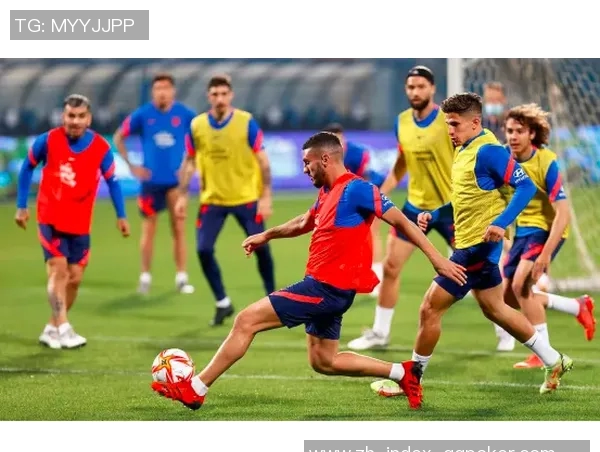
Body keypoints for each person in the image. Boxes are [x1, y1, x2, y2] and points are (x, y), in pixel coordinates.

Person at [150, 131, 467, 410]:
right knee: (324, 361)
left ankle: (196, 388)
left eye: (307, 162)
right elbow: (305, 221)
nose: (304, 169)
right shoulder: (327, 191)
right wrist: (267, 235)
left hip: (326, 289)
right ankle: (403, 373)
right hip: (325, 287)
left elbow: (402, 222)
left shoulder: (358, 189)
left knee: (246, 320)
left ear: (325, 159)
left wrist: (437, 260)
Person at [370, 93, 574, 409]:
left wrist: (501, 223)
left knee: (429, 308)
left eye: (455, 124)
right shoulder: (465, 149)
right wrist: (435, 214)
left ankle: (412, 377)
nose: (449, 131)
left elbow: (526, 187)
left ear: (475, 122)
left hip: (476, 249)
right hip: (471, 244)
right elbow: (463, 199)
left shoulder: (489, 151)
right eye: (447, 124)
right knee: (496, 309)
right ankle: (553, 359)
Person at [347, 65, 456, 350]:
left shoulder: (447, 121)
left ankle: (505, 333)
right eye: (411, 87)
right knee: (391, 267)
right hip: (414, 209)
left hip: (451, 209)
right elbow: (401, 163)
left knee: (477, 274)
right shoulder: (402, 122)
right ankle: (380, 333)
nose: (415, 92)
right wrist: (378, 196)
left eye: (421, 86)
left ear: (432, 89)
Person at [15, 94, 130, 349]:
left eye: (80, 116)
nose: (75, 121)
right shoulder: (48, 140)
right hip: (50, 218)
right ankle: (65, 327)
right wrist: (22, 206)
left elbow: (113, 181)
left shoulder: (100, 147)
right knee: (59, 271)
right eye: (70, 116)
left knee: (75, 278)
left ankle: (51, 327)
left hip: (80, 223)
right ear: (63, 117)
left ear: (89, 119)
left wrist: (121, 215)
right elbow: (26, 168)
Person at [494, 103, 596, 364]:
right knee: (508, 298)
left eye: (519, 131)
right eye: (509, 131)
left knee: (520, 285)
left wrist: (546, 254)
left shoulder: (546, 162)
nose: (513, 136)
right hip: (522, 232)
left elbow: (563, 213)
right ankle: (576, 306)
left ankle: (542, 354)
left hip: (547, 231)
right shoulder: (503, 158)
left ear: (531, 134)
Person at [176, 74, 275, 326]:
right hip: (213, 200)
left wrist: (266, 196)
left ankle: (273, 299)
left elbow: (263, 161)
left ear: (231, 95)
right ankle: (222, 302)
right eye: (215, 94)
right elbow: (189, 160)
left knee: (262, 249)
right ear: (208, 97)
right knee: (203, 250)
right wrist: (182, 196)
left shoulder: (246, 122)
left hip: (246, 198)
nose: (219, 99)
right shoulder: (197, 125)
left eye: (223, 94)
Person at [113, 72, 197, 295]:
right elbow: (119, 136)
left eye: (166, 88)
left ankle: (181, 277)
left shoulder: (185, 114)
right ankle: (145, 277)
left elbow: (201, 139)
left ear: (173, 91)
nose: (162, 92)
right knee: (148, 230)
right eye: (158, 88)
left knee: (178, 229)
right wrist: (131, 165)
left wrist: (190, 165)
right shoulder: (143, 115)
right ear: (153, 92)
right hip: (150, 183)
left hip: (175, 184)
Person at [322, 122, 384, 295]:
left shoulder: (357, 154)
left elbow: (367, 179)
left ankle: (378, 277)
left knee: (371, 232)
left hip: (369, 190)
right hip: (347, 195)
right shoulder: (324, 156)